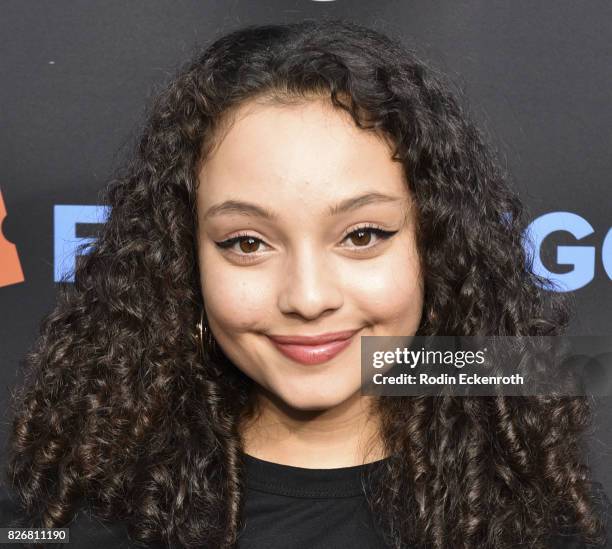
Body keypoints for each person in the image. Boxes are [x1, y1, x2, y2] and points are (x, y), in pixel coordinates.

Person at [1, 17, 609, 549]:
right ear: (184, 263)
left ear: (435, 249)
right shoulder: (69, 520)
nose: (309, 298)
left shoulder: (544, 523)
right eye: (247, 243)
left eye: (363, 235)